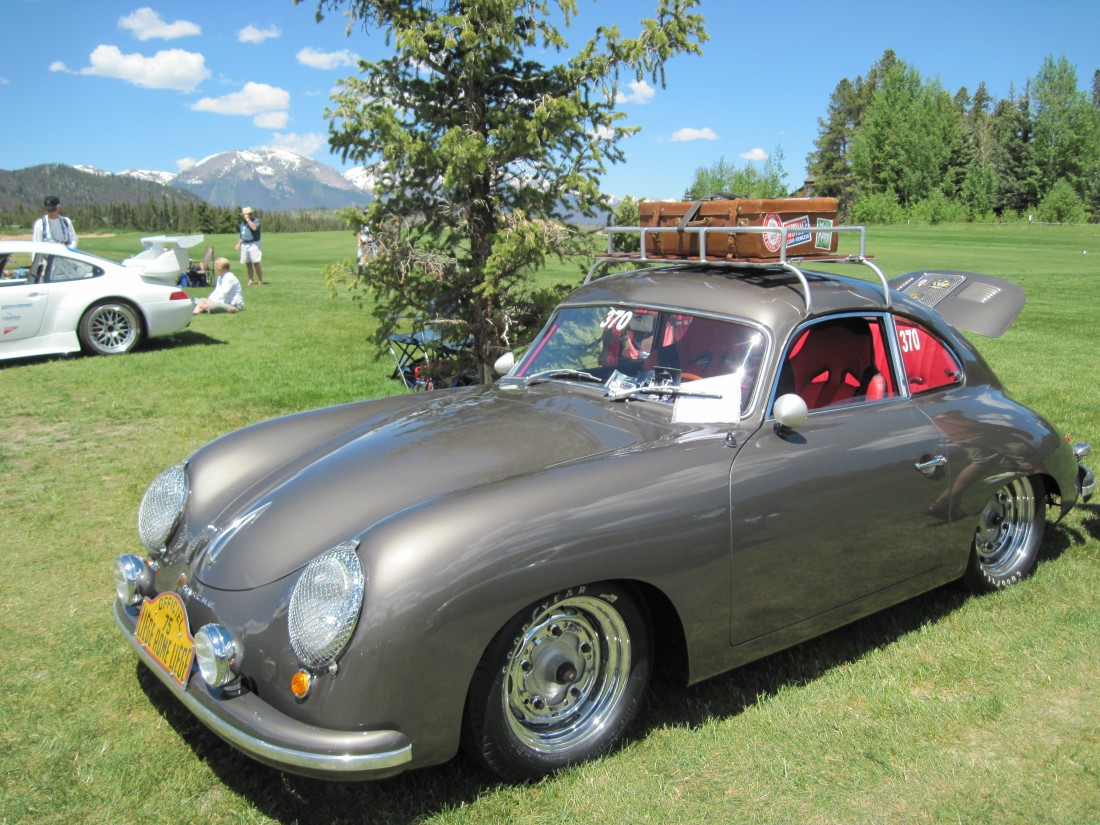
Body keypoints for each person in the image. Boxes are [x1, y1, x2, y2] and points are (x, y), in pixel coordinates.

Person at [235, 206, 264, 285]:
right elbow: (242, 236)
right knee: (248, 263)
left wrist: (248, 220)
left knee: (256, 262)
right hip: (245, 244)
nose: (245, 216)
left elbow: (254, 228)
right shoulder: (243, 224)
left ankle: (260, 280)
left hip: (254, 243)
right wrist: (238, 244)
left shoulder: (255, 221)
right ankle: (250, 279)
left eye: (247, 214)